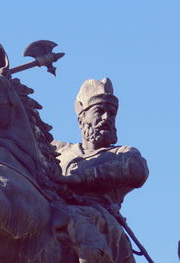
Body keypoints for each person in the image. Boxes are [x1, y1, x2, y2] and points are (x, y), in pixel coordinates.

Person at [53, 77, 149, 262]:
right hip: (54, 209)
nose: (106, 118)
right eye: (100, 111)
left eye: (111, 114)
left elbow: (137, 170)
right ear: (82, 116)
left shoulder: (123, 153)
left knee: (79, 218)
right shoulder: (58, 150)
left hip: (98, 219)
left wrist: (80, 177)